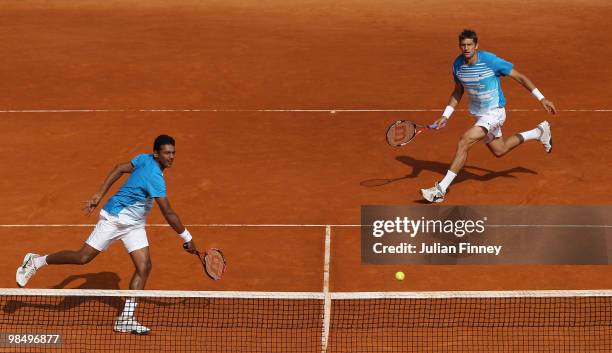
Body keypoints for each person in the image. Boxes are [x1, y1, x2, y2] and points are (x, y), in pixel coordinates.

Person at [15, 134, 198, 335]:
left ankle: (126, 318)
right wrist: (187, 237)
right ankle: (36, 261)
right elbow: (168, 212)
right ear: (156, 154)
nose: (171, 157)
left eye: (173, 152)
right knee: (82, 257)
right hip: (114, 218)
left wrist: (99, 194)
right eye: (167, 153)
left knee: (144, 266)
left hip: (134, 225)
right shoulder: (154, 176)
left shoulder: (144, 158)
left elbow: (120, 167)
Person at [420, 29, 557, 203]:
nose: (466, 48)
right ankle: (538, 132)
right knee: (500, 150)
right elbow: (457, 91)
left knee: (465, 140)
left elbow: (519, 76)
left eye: (470, 45)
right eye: (463, 45)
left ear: (476, 46)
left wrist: (541, 98)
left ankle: (441, 189)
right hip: (479, 115)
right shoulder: (457, 65)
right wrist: (446, 115)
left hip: (495, 111)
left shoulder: (490, 61)